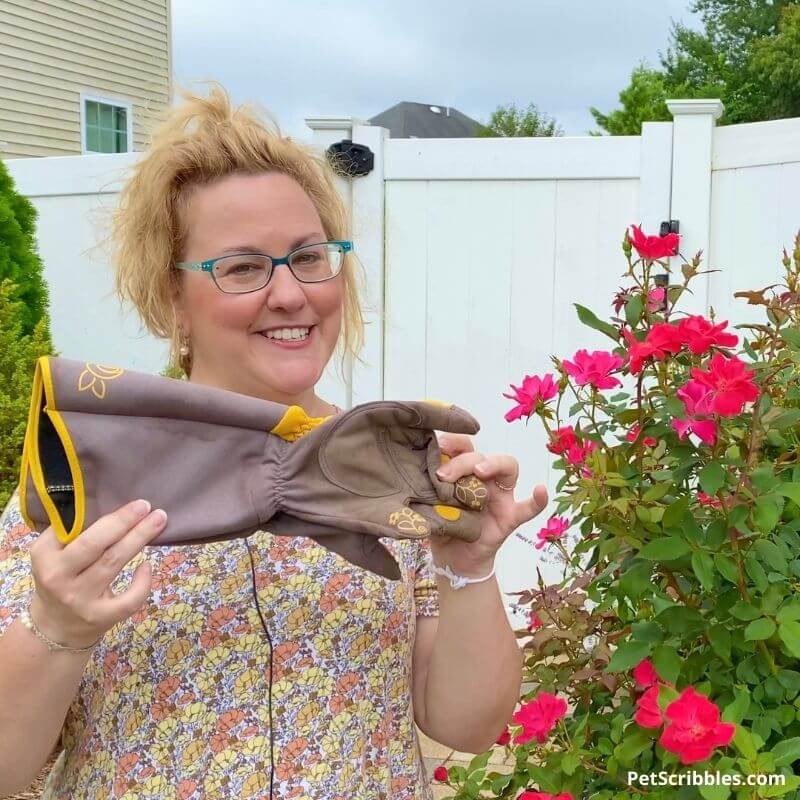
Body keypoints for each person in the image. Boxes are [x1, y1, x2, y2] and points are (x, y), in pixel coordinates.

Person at [0, 86, 549, 800]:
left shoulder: (392, 466)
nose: (290, 294)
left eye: (309, 257)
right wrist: (59, 629)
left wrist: (469, 568)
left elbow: (466, 725)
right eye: (242, 267)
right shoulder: (82, 478)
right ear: (172, 300)